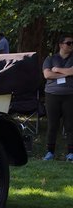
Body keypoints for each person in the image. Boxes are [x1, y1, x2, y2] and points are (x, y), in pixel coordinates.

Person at [42, 34, 73, 162]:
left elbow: (72, 71)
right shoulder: (50, 59)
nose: (71, 45)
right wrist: (65, 73)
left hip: (70, 95)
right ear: (61, 45)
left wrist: (57, 70)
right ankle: (50, 152)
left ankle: (70, 153)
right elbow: (47, 74)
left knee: (70, 125)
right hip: (52, 95)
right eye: (69, 43)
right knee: (52, 125)